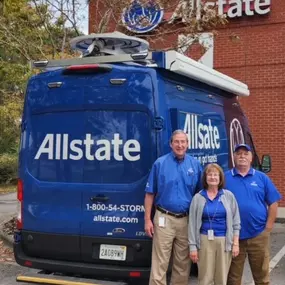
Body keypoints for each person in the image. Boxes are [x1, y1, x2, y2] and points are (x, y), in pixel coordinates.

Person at [144, 129, 202, 285]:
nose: (180, 145)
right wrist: (147, 220)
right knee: (160, 263)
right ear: (171, 144)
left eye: (183, 141)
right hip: (164, 218)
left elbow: (200, 194)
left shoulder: (195, 165)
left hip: (186, 220)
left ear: (188, 144)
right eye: (176, 141)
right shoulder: (160, 163)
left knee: (182, 265)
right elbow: (150, 193)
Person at [225, 143, 282, 285]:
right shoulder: (225, 178)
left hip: (258, 234)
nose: (242, 156)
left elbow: (274, 202)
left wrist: (268, 228)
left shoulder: (261, 178)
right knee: (233, 278)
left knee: (262, 276)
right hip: (234, 236)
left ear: (251, 158)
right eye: (239, 153)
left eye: (246, 154)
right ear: (234, 157)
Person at [188, 163, 241, 285]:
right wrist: (192, 247)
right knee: (205, 278)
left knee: (221, 278)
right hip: (204, 240)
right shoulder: (198, 198)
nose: (213, 177)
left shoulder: (228, 196)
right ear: (205, 178)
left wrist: (235, 244)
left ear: (220, 178)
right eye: (209, 174)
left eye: (215, 174)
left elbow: (236, 222)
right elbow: (191, 224)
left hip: (224, 241)